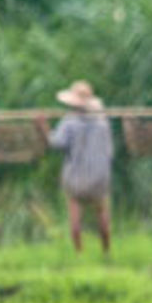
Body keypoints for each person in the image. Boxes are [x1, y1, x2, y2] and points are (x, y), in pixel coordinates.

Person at [34, 80, 114, 254]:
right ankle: (106, 252)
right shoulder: (102, 123)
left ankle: (79, 253)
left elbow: (55, 143)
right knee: (102, 213)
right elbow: (109, 150)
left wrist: (43, 127)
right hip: (99, 177)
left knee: (75, 216)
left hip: (75, 178)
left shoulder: (69, 122)